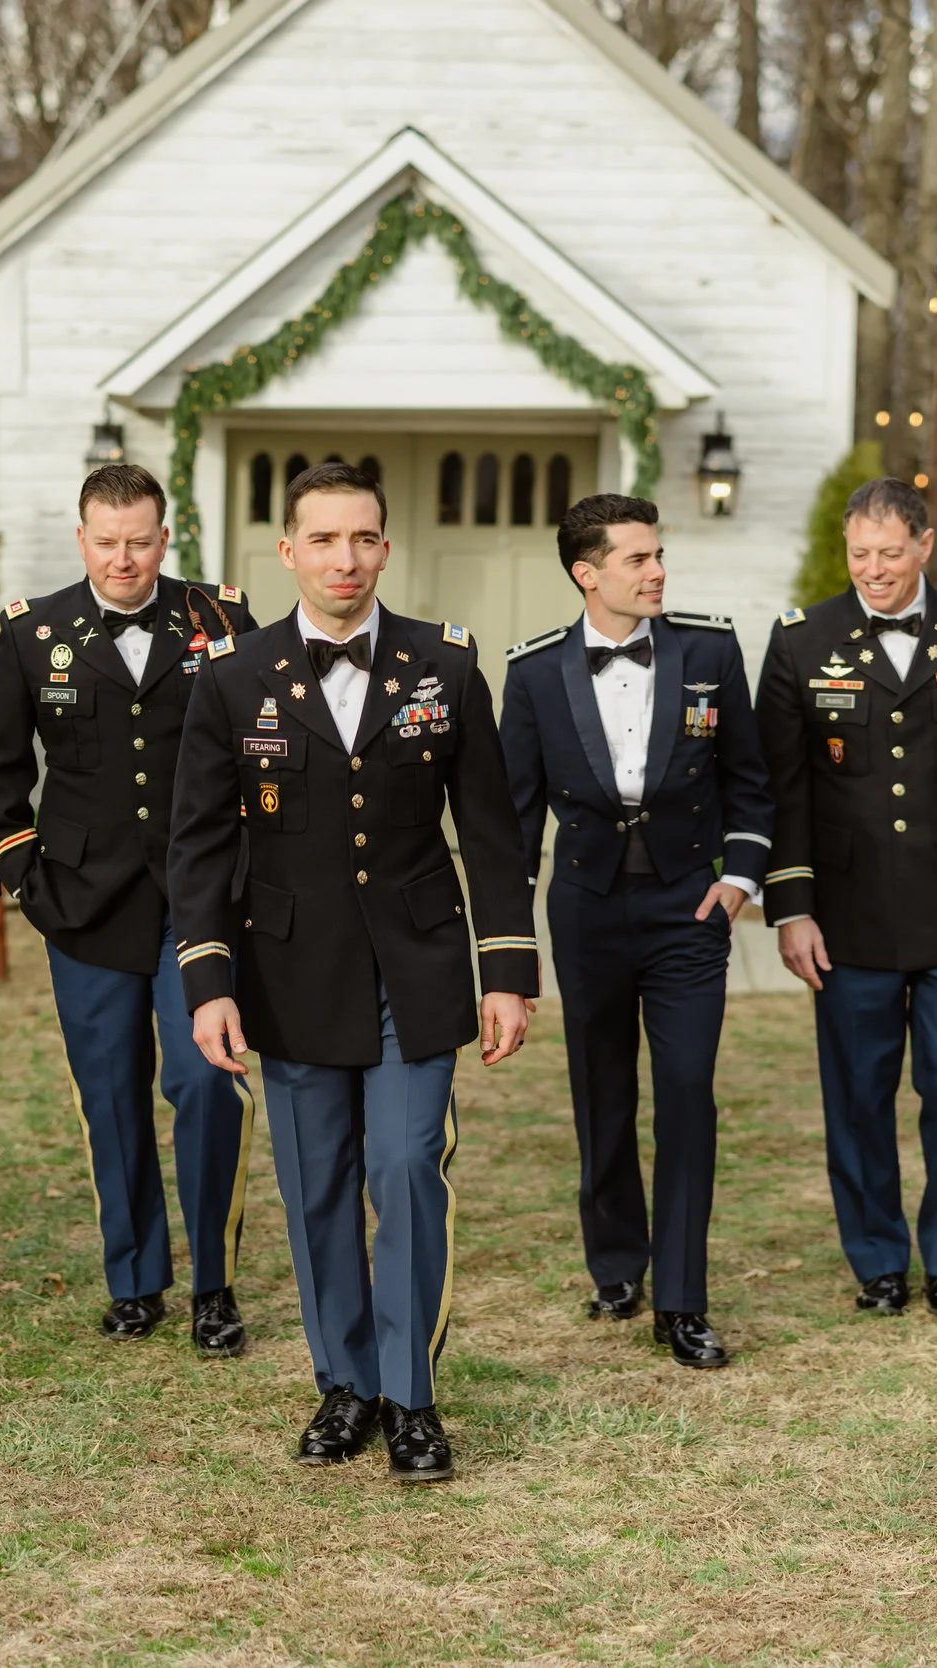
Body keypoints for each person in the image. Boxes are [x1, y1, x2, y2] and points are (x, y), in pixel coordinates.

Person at [169, 461, 537, 1484]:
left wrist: (505, 971)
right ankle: (346, 1386)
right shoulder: (232, 676)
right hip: (287, 974)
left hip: (415, 970)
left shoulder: (445, 665)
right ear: (287, 551)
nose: (346, 558)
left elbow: (494, 837)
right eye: (324, 540)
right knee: (316, 1186)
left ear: (385, 547)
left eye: (363, 538)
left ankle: (412, 1397)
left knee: (406, 1169)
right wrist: (209, 982)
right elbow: (197, 844)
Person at [0, 463, 260, 1354]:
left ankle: (214, 1283)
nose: (124, 558)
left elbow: (260, 752)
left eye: (140, 541)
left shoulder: (221, 620)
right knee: (112, 1096)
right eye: (107, 542)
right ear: (83, 538)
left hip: (200, 901)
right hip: (82, 902)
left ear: (164, 539)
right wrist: (25, 880)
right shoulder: (32, 632)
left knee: (207, 1085)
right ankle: (135, 1279)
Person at [756, 478, 937, 1318]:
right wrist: (792, 907)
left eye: (890, 553)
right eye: (860, 554)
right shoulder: (800, 640)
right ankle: (879, 1264)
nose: (874, 570)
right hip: (846, 916)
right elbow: (780, 789)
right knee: (856, 1097)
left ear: (925, 545)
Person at [497, 494, 772, 1368]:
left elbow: (751, 782)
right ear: (588, 573)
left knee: (688, 1094)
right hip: (586, 910)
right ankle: (616, 1264)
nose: (657, 572)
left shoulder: (711, 651)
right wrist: (510, 945)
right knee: (603, 1092)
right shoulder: (535, 673)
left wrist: (737, 881)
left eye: (658, 556)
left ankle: (683, 1303)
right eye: (637, 560)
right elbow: (511, 821)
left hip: (689, 910)